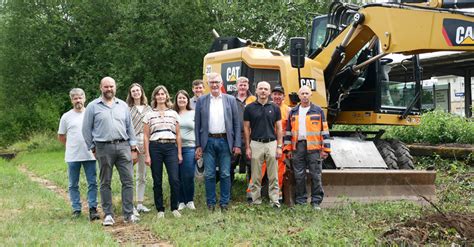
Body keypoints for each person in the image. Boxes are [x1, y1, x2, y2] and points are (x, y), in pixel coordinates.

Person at [82, 76, 138, 226]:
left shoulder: (123, 105)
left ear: (115, 87)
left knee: (128, 181)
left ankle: (128, 214)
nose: (109, 89)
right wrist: (92, 147)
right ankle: (108, 214)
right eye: (106, 87)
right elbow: (86, 129)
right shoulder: (93, 106)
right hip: (103, 147)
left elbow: (130, 127)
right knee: (105, 182)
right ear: (101, 88)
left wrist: (133, 146)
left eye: (111, 86)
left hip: (123, 146)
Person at [194, 72, 241, 212]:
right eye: (212, 82)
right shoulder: (202, 100)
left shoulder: (230, 100)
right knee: (209, 174)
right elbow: (197, 125)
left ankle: (224, 203)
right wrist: (198, 145)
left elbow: (236, 124)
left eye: (217, 82)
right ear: (208, 84)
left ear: (221, 84)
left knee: (225, 173)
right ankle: (211, 203)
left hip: (225, 141)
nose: (214, 85)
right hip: (207, 141)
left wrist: (237, 144)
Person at [284, 86, 331, 210]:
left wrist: (325, 149)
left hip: (314, 147)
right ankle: (301, 200)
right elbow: (288, 131)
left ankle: (316, 202)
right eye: (302, 93)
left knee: (316, 175)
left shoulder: (318, 110)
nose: (304, 96)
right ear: (299, 96)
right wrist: (288, 148)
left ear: (311, 95)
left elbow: (324, 130)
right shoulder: (293, 111)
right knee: (299, 175)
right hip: (297, 147)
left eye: (307, 93)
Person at [58, 88, 99, 221]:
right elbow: (61, 136)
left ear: (84, 98)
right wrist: (70, 146)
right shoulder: (66, 116)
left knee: (92, 183)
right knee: (73, 184)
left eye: (80, 97)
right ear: (71, 100)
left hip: (90, 154)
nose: (78, 100)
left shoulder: (90, 113)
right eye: (75, 98)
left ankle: (93, 208)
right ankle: (76, 209)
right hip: (73, 156)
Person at [143, 85, 182, 218]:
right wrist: (147, 155)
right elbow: (146, 136)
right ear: (155, 97)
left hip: (171, 147)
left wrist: (179, 153)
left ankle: (174, 207)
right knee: (157, 180)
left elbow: (178, 135)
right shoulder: (149, 115)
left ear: (166, 96)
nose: (160, 96)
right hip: (155, 147)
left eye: (163, 94)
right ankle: (160, 209)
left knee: (174, 179)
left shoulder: (173, 113)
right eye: (158, 94)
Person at [244, 81, 282, 208]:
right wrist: (248, 147)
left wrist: (279, 146)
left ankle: (275, 201)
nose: (263, 91)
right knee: (255, 175)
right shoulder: (249, 108)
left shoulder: (275, 108)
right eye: (261, 88)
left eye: (266, 89)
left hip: (272, 143)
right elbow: (246, 128)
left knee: (273, 175)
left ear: (269, 92)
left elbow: (279, 128)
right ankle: (256, 200)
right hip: (256, 143)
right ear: (256, 91)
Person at [126, 83, 153, 215]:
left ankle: (140, 203)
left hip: (146, 142)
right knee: (129, 174)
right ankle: (129, 204)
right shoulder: (127, 109)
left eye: (138, 90)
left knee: (142, 175)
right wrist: (132, 145)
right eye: (133, 91)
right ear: (130, 94)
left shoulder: (149, 108)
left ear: (141, 92)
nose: (136, 92)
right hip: (133, 143)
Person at [173, 90, 196, 211]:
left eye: (184, 98)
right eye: (179, 98)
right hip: (173, 148)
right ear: (176, 100)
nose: (182, 100)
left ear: (188, 100)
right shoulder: (172, 113)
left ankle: (190, 200)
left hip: (189, 147)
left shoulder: (193, 113)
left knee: (188, 174)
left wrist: (199, 147)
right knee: (177, 176)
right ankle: (181, 200)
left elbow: (198, 130)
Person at [232, 76, 256, 177]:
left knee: (251, 163)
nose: (242, 87)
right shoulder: (230, 99)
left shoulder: (254, 99)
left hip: (250, 136)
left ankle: (251, 189)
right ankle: (228, 189)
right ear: (236, 86)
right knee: (231, 162)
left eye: (244, 85)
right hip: (234, 136)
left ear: (248, 86)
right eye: (240, 85)